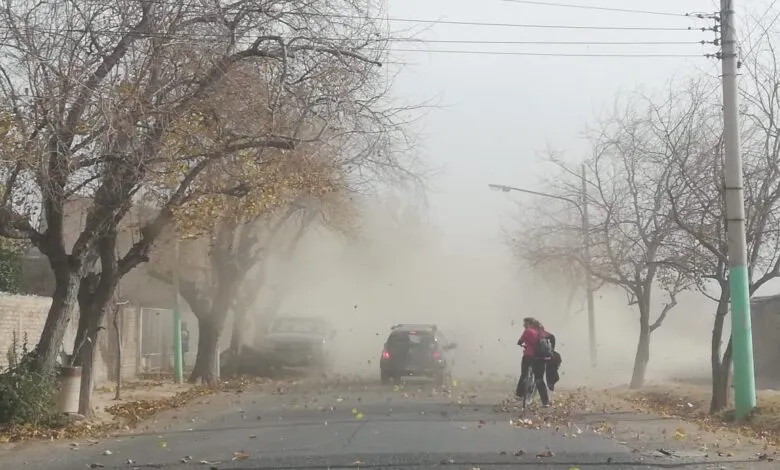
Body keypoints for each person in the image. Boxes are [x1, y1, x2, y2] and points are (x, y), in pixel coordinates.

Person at [516, 317, 552, 407]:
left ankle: (519, 394)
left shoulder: (528, 331)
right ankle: (545, 402)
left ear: (529, 323)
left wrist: (522, 344)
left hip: (529, 357)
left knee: (524, 375)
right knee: (539, 379)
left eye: (525, 323)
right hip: (541, 358)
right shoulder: (542, 332)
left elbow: (519, 342)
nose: (524, 325)